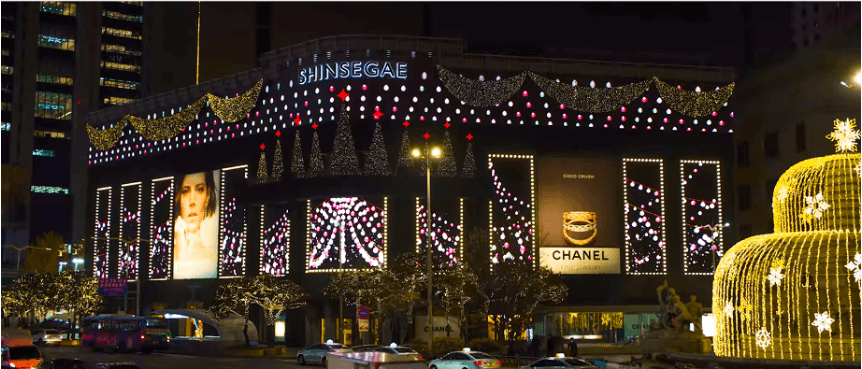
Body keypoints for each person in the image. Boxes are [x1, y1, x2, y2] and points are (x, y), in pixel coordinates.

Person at [173, 171, 219, 279]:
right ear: (178, 198)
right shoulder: (163, 258)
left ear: (207, 196)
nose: (192, 201)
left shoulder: (213, 260)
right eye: (185, 191)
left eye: (200, 189)